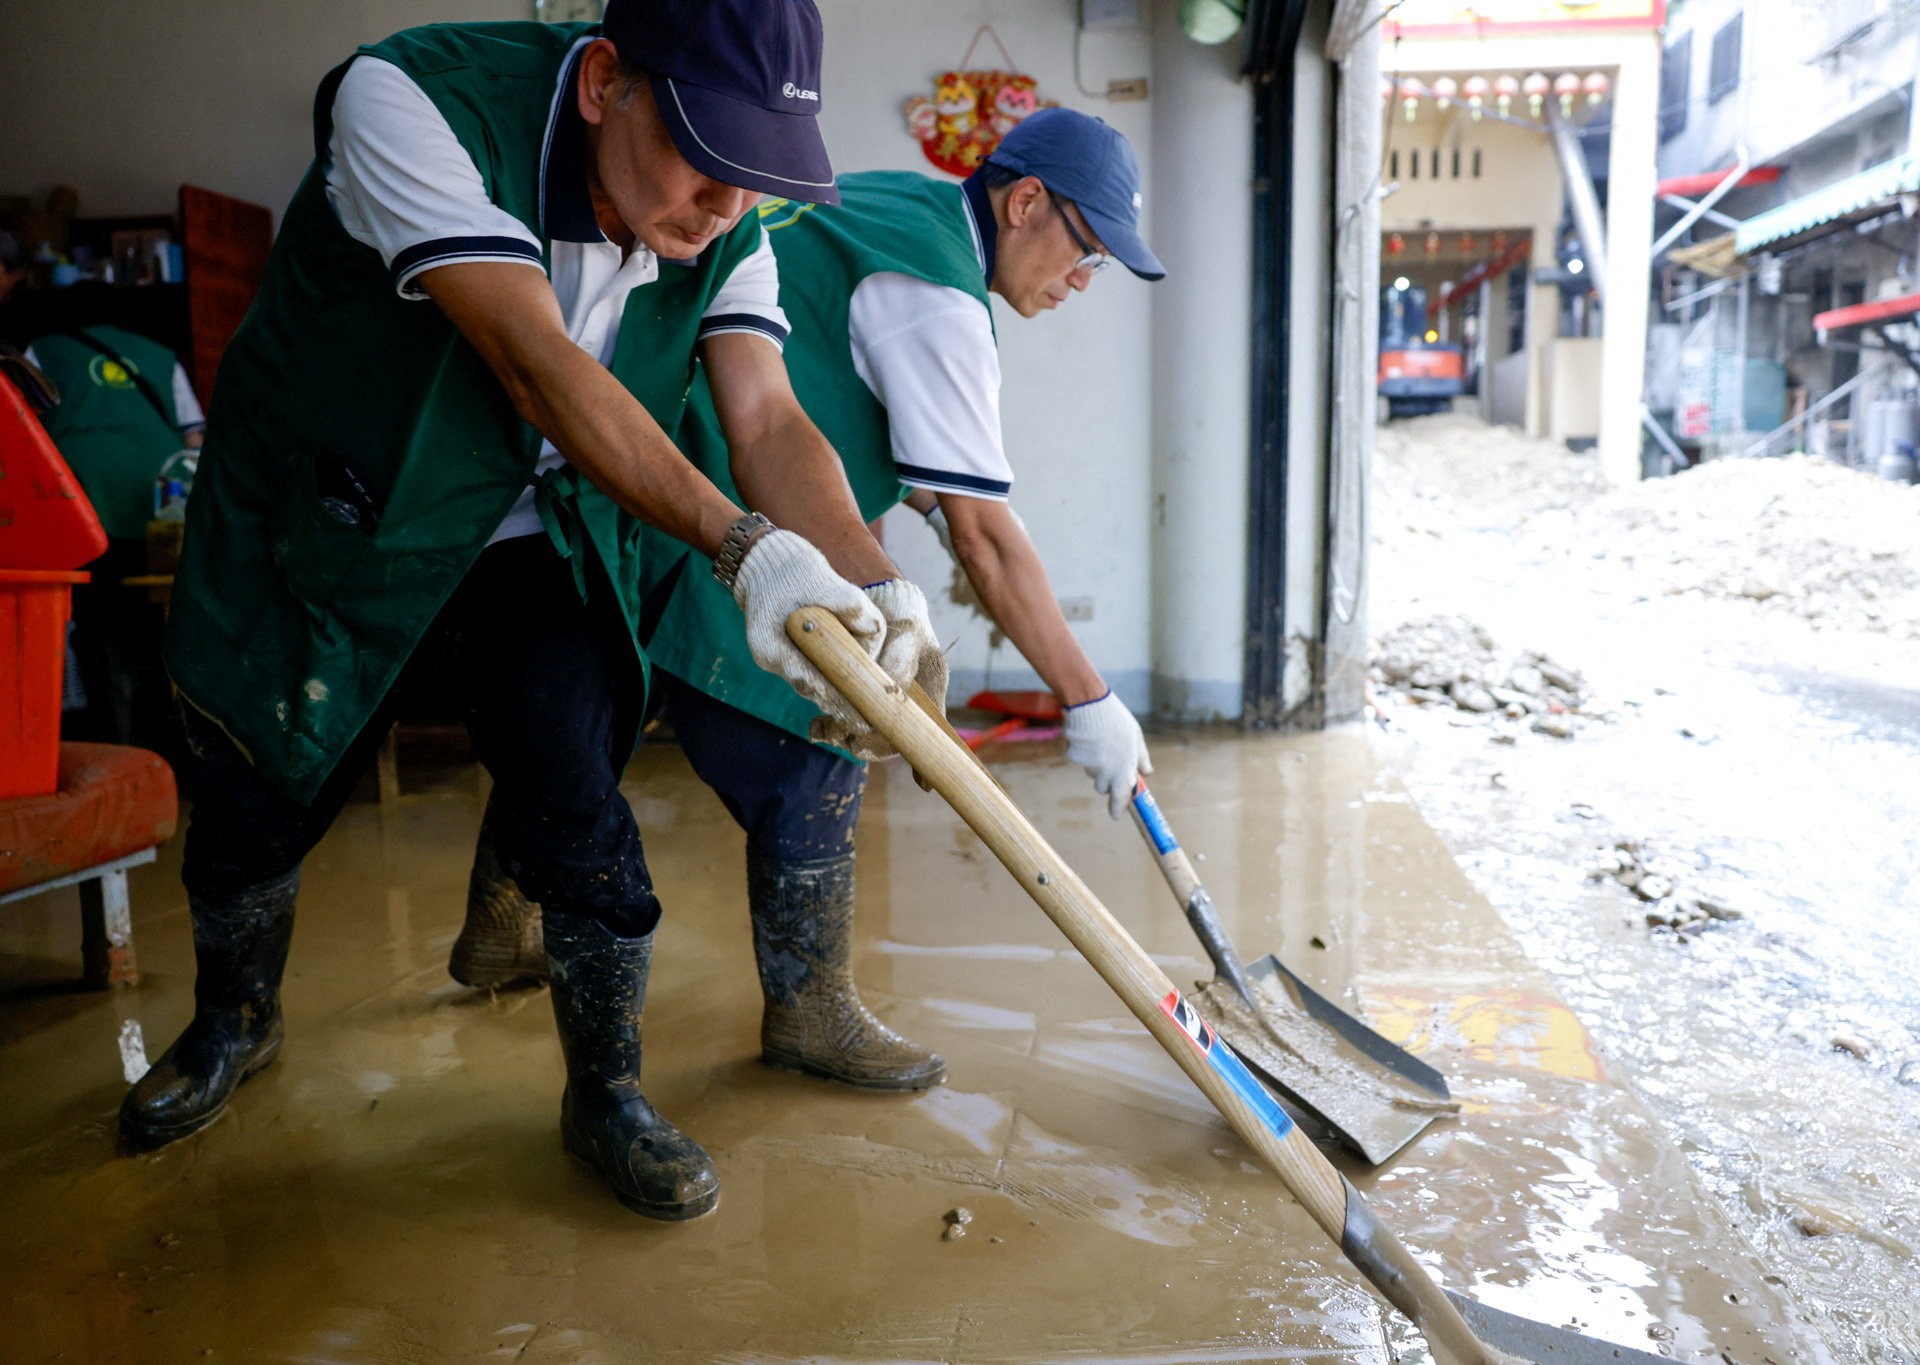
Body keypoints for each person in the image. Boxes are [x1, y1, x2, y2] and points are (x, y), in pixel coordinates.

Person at [119, 0, 949, 1226]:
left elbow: (769, 418)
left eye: (754, 173)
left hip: (530, 529)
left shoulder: (727, 226)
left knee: (577, 797)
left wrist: (873, 582)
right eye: (706, 156)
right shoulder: (414, 101)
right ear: (608, 81)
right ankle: (232, 1021)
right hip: (339, 516)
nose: (724, 205)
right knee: (260, 788)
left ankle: (606, 1092)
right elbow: (533, 363)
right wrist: (746, 549)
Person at [452, 110, 1165, 1095]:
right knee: (823, 731)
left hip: (626, 472)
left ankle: (502, 922)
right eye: (1087, 251)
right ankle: (810, 1009)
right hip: (713, 499)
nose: (1083, 280)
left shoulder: (897, 208)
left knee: (591, 714)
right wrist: (1090, 699)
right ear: (1027, 202)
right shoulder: (938, 296)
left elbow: (881, 427)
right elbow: (985, 539)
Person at [25, 325, 202, 749]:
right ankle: (167, 742)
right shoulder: (161, 354)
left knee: (95, 623)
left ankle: (111, 737)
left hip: (83, 506)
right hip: (160, 510)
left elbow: (22, 425)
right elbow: (194, 439)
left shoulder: (42, 349)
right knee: (158, 624)